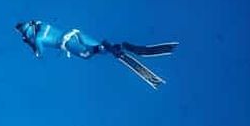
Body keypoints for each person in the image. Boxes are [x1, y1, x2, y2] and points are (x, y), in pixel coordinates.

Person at [15, 20, 178, 89]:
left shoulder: (38, 38)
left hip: (68, 43)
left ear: (27, 33)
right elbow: (36, 26)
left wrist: (29, 44)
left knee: (87, 54)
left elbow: (39, 54)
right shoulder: (41, 24)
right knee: (103, 48)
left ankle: (104, 48)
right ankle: (121, 46)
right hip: (75, 32)